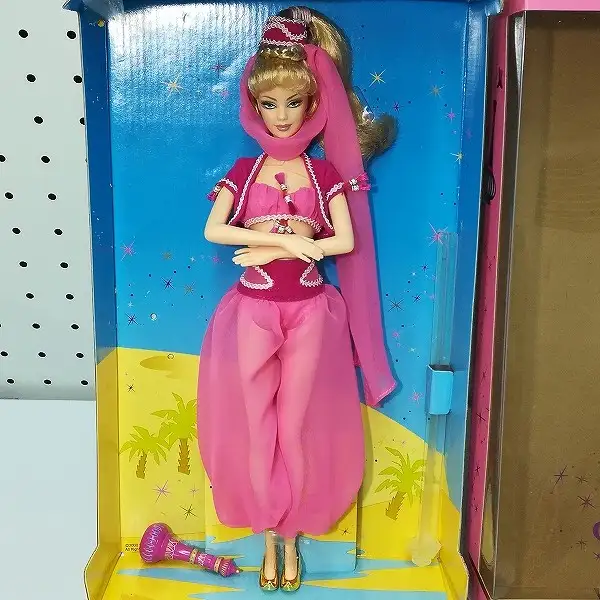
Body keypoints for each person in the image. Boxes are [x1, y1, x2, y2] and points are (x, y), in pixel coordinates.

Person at [197, 6, 397, 592]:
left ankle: (292, 540)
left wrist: (281, 245)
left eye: (293, 103)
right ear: (253, 106)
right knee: (256, 423)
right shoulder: (244, 170)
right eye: (269, 103)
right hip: (252, 311)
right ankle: (268, 538)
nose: (281, 116)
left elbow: (345, 241)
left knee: (298, 422)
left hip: (311, 311)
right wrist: (282, 241)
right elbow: (215, 230)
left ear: (312, 104)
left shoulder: (324, 174)